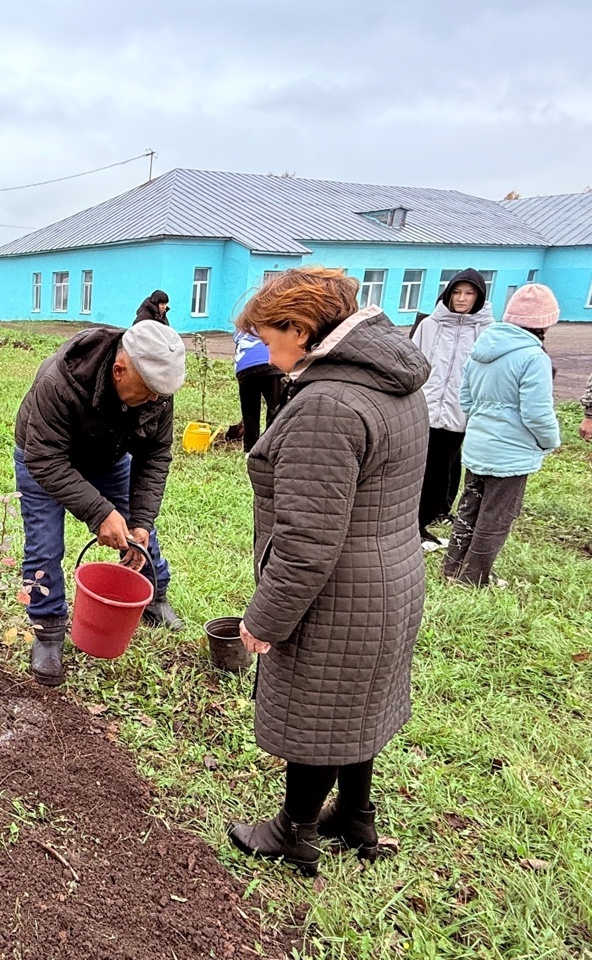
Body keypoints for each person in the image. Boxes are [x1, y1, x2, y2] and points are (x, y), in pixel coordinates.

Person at [224, 267, 430, 876]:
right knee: (356, 703)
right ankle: (355, 815)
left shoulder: (327, 405)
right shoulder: (393, 381)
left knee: (319, 708)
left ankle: (294, 830)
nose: (267, 351)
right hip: (394, 574)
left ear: (302, 328)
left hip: (337, 590)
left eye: (269, 336)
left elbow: (308, 543)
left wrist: (264, 619)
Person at [14, 321, 187, 686]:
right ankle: (47, 631)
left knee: (138, 530)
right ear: (119, 370)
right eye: (149, 392)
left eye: (162, 393)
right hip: (43, 456)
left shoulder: (156, 387)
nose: (157, 400)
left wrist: (140, 518)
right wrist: (99, 512)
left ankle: (154, 597)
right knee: (44, 546)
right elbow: (45, 460)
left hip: (108, 456)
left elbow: (155, 454)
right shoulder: (59, 381)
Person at [443, 284, 561, 587]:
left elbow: (465, 400)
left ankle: (452, 567)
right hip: (511, 453)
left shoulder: (483, 347)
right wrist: (550, 441)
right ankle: (474, 578)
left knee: (470, 507)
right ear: (545, 321)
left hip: (478, 446)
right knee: (495, 517)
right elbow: (537, 412)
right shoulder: (534, 357)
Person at [410, 269, 494, 551]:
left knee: (448, 463)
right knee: (425, 465)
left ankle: (439, 509)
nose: (462, 298)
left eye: (469, 293)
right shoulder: (430, 325)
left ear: (479, 297)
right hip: (426, 407)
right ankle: (417, 521)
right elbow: (414, 363)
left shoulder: (487, 330)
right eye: (457, 292)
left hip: (461, 409)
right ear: (447, 294)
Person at [233, 329, 283, 453]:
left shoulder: (241, 327)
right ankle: (271, 447)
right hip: (270, 364)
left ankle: (249, 449)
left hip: (244, 367)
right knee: (275, 408)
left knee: (249, 411)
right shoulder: (271, 319)